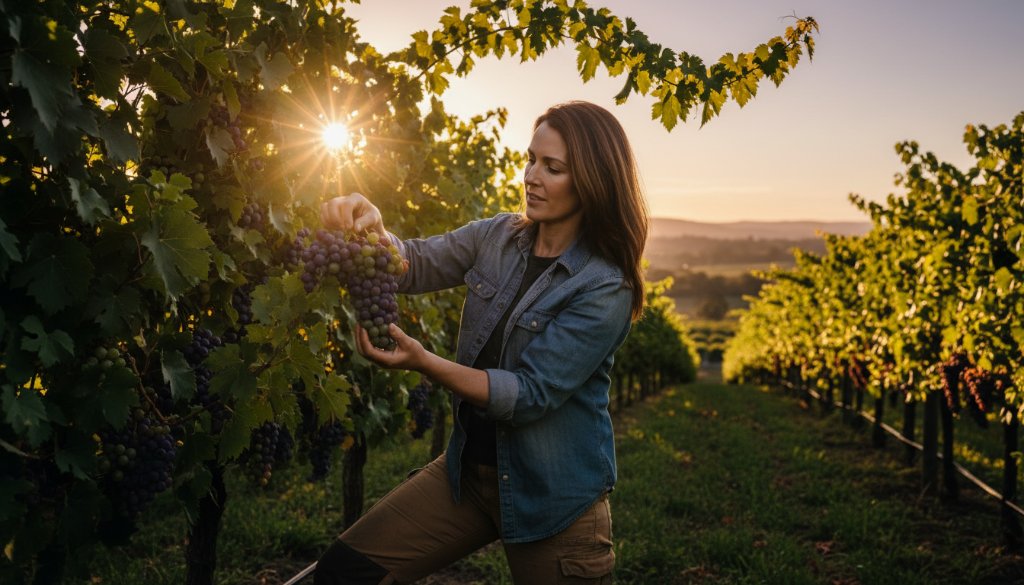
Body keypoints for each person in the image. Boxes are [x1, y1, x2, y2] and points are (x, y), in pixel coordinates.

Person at [314, 100, 648, 585]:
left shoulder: (603, 286)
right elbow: (413, 262)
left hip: (553, 501)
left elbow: (529, 395)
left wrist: (423, 362)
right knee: (345, 572)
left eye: (552, 168)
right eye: (531, 159)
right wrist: (375, 228)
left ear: (593, 181)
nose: (532, 176)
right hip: (466, 477)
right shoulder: (496, 235)